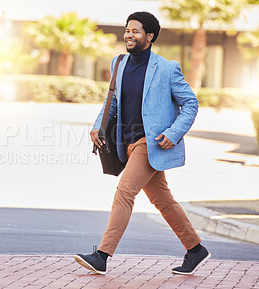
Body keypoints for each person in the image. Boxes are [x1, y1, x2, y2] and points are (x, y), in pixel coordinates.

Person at [74, 11, 210, 275]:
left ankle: (102, 255)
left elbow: (190, 103)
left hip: (151, 143)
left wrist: (174, 133)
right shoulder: (119, 63)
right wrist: (97, 125)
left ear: (150, 36)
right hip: (127, 142)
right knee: (163, 201)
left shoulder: (166, 68)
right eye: (127, 30)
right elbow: (111, 101)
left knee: (124, 193)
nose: (129, 35)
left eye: (135, 31)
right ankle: (195, 249)